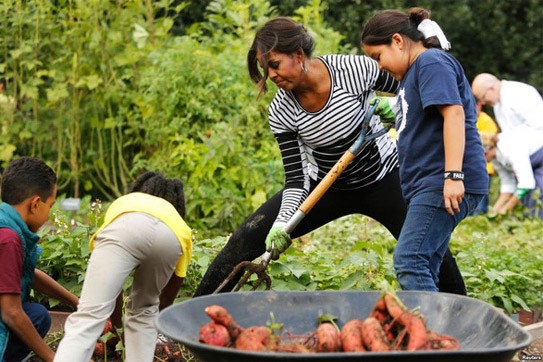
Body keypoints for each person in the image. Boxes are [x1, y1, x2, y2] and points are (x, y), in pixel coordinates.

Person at [194, 16, 466, 297]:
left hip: (385, 178)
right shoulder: (281, 111)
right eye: (266, 70)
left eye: (274, 65)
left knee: (430, 250)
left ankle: (464, 321)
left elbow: (417, 86)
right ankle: (192, 313)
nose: (272, 76)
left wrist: (395, 105)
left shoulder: (351, 69)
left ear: (298, 55)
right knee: (249, 235)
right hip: (326, 187)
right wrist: (281, 224)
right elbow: (296, 178)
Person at [361, 7, 488, 291]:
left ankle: (428, 334)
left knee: (410, 260)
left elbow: (454, 115)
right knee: (427, 265)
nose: (379, 66)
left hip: (443, 180)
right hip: (427, 183)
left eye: (377, 57)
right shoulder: (412, 75)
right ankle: (442, 330)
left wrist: (453, 176)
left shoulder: (430, 62)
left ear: (397, 40)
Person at [54, 171, 192, 362]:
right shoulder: (175, 217)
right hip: (171, 237)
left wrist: (117, 327)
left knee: (89, 316)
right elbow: (168, 296)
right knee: (145, 312)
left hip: (126, 225)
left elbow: (113, 290)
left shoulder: (128, 201)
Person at [0, 157, 79, 362]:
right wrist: (54, 358)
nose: (49, 214)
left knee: (37, 314)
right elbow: (11, 313)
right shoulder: (9, 239)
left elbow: (28, 273)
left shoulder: (6, 222)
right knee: (37, 317)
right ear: (35, 204)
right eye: (50, 206)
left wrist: (75, 302)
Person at [484, 131, 543, 219]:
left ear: (486, 153)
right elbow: (508, 184)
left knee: (538, 192)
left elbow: (527, 184)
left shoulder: (509, 149)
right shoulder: (494, 158)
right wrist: (495, 210)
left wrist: (506, 209)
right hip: (531, 160)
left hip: (539, 153)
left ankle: (538, 224)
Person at [471, 73, 543, 134]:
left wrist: (502, 138)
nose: (483, 102)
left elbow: (538, 124)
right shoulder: (498, 103)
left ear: (491, 89)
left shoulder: (519, 92)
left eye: (483, 97)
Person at [471, 102, 499, 215]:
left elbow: (491, 140)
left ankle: (480, 218)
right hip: (471, 166)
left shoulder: (486, 121)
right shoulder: (467, 118)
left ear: (479, 106)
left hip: (486, 167)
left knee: (481, 200)